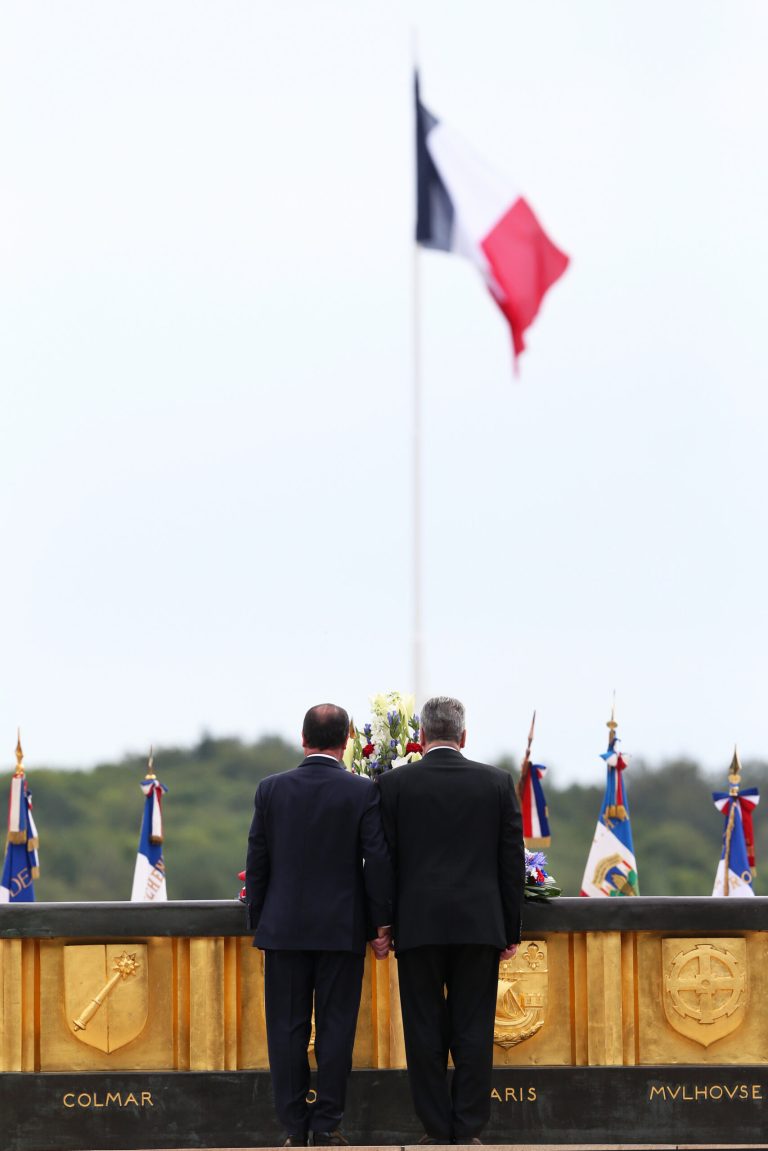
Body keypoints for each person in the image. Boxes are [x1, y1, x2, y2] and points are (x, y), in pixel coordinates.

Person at [377, 696, 525, 1145]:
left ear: (421, 738)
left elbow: (382, 862)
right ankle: (469, 1128)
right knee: (474, 1029)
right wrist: (510, 929)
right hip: (480, 925)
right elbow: (510, 864)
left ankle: (436, 1129)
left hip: (417, 925)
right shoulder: (497, 783)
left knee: (423, 1029)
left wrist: (383, 923)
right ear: (464, 737)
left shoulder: (392, 785)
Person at [245, 703, 393, 1148]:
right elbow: (377, 862)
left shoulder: (270, 790)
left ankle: (293, 1127)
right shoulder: (362, 791)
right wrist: (379, 924)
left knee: (286, 1030)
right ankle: (326, 1125)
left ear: (302, 737)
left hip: (284, 930)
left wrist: (260, 922)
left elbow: (257, 862)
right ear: (347, 740)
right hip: (341, 930)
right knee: (335, 1028)